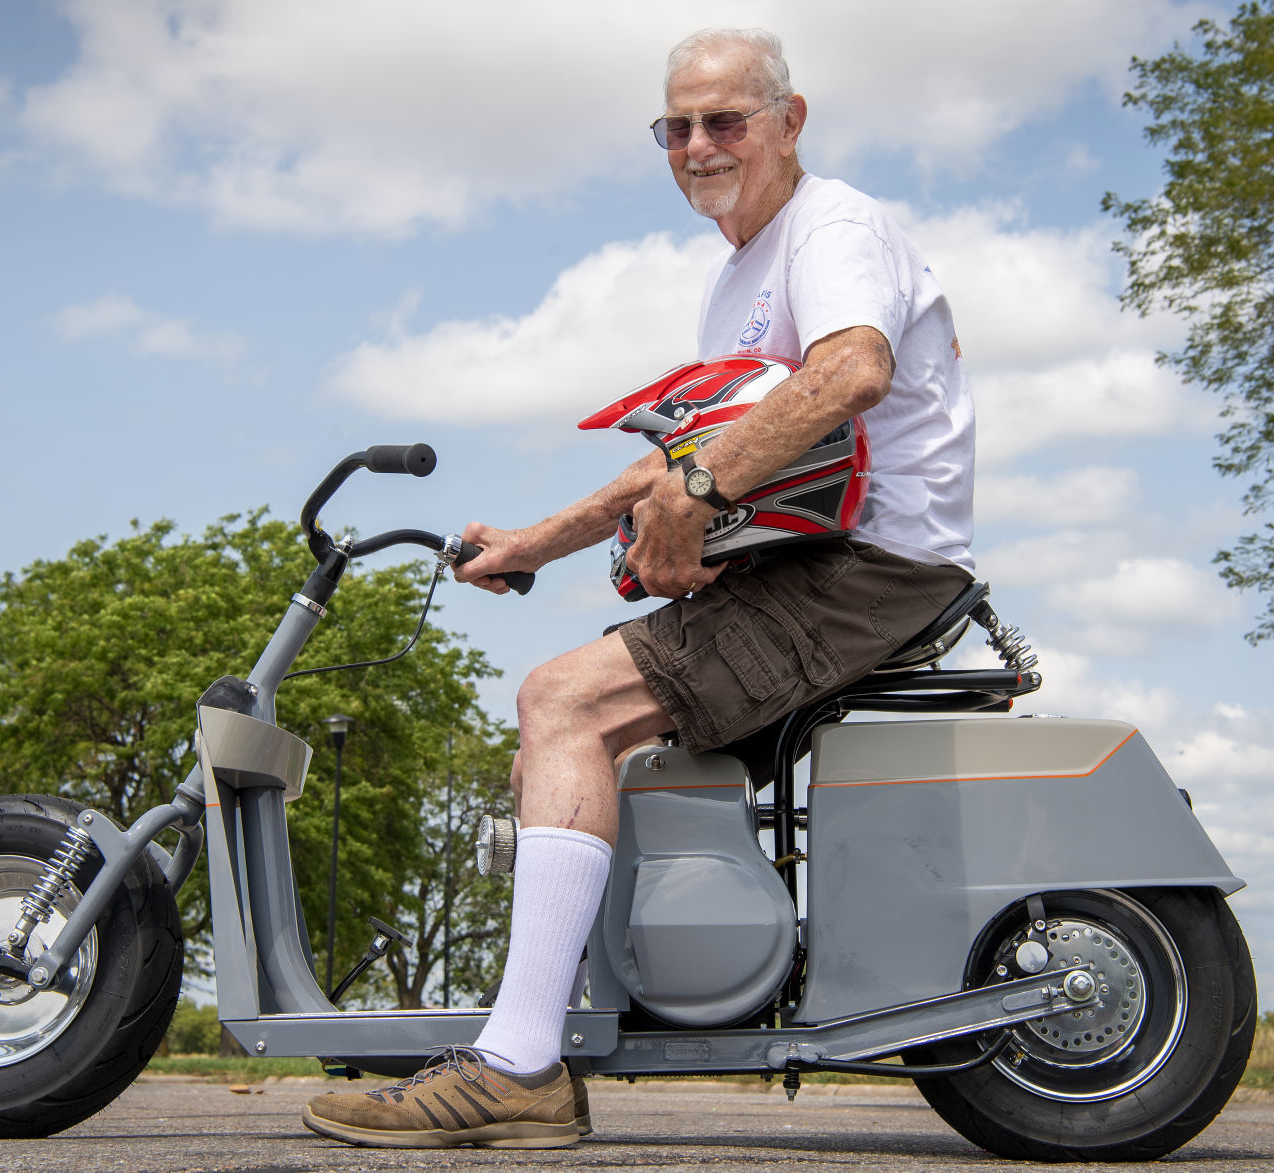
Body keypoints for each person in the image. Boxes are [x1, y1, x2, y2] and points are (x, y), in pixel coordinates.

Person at [302, 26, 975, 1149]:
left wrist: (699, 492)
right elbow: (670, 461)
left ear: (789, 122)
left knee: (562, 700)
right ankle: (568, 1011)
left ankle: (518, 1070)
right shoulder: (736, 278)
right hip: (806, 561)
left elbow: (851, 373)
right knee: (550, 752)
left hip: (870, 569)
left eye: (726, 120)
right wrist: (534, 542)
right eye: (678, 126)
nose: (700, 145)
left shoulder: (833, 229)